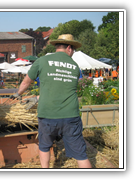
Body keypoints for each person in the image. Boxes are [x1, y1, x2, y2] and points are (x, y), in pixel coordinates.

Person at [10, 34, 92, 168]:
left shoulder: (42, 61)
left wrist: (18, 94)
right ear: (69, 48)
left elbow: (26, 82)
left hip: (47, 115)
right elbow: (65, 88)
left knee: (45, 146)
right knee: (80, 154)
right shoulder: (75, 66)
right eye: (74, 50)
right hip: (70, 115)